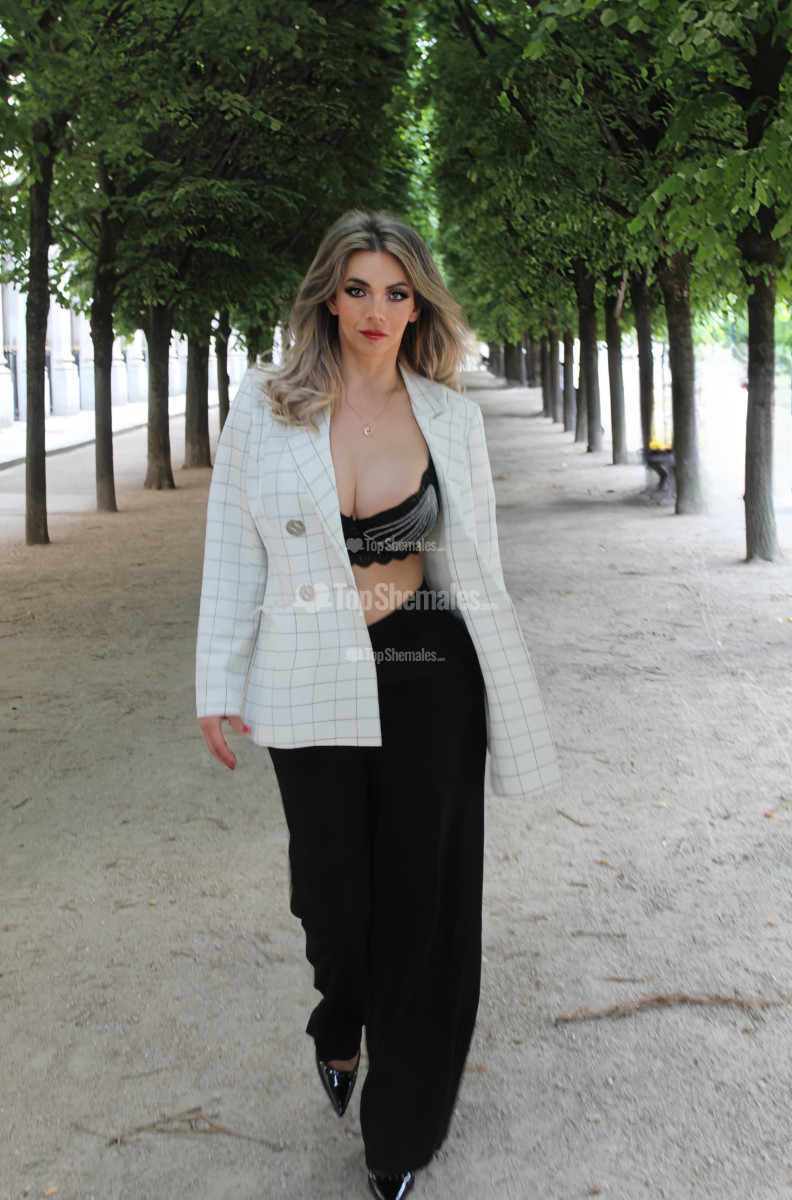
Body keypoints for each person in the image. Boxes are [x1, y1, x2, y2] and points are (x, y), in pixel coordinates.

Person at [195, 210, 560, 1200]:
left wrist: (506, 692)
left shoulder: (449, 416)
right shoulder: (264, 406)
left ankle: (399, 1131)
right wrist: (218, 684)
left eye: (397, 293)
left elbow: (477, 564)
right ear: (327, 296)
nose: (376, 310)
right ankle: (338, 1014)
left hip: (429, 669)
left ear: (418, 305)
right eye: (357, 289)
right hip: (305, 672)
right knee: (334, 901)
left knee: (422, 903)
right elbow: (232, 552)